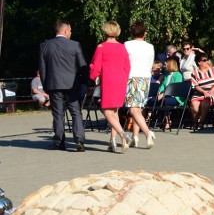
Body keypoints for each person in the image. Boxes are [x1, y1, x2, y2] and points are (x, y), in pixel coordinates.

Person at [39, 20, 87, 151]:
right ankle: (79, 140)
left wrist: (45, 86)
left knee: (58, 114)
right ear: (65, 31)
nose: (71, 33)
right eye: (70, 30)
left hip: (54, 85)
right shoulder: (75, 45)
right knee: (76, 112)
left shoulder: (45, 46)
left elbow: (42, 69)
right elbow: (82, 66)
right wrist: (84, 82)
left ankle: (59, 142)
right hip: (72, 85)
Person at [89, 20, 131, 153]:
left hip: (108, 79)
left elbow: (96, 67)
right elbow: (127, 66)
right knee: (114, 111)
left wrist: (91, 74)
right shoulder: (122, 47)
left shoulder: (101, 47)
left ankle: (122, 134)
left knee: (106, 110)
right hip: (121, 80)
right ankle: (114, 142)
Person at [124, 21, 156, 149]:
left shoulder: (127, 44)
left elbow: (124, 62)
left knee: (133, 109)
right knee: (138, 109)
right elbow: (150, 63)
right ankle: (135, 137)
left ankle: (148, 133)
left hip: (132, 77)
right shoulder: (150, 46)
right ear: (145, 33)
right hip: (145, 77)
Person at [189, 51, 214, 130]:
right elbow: (195, 85)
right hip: (200, 92)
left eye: (207, 59)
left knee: (206, 101)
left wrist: (210, 92)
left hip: (213, 92)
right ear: (199, 62)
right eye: (204, 60)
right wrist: (204, 92)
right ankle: (195, 121)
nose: (207, 61)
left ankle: (201, 122)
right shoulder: (194, 73)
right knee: (194, 105)